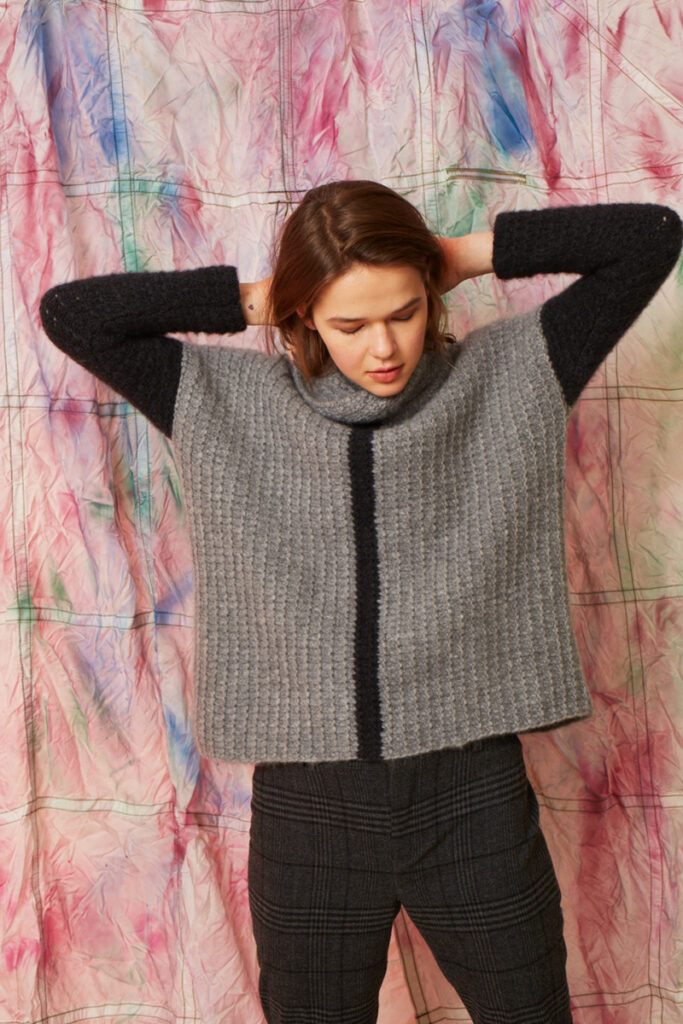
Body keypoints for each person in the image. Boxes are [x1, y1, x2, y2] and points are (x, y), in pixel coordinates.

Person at [40, 181, 681, 1024]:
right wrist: (259, 298)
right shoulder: (222, 401)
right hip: (309, 815)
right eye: (349, 323)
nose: (383, 347)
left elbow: (649, 237)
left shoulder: (516, 373)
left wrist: (460, 255)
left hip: (471, 796)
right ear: (304, 318)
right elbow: (74, 314)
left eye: (404, 312)